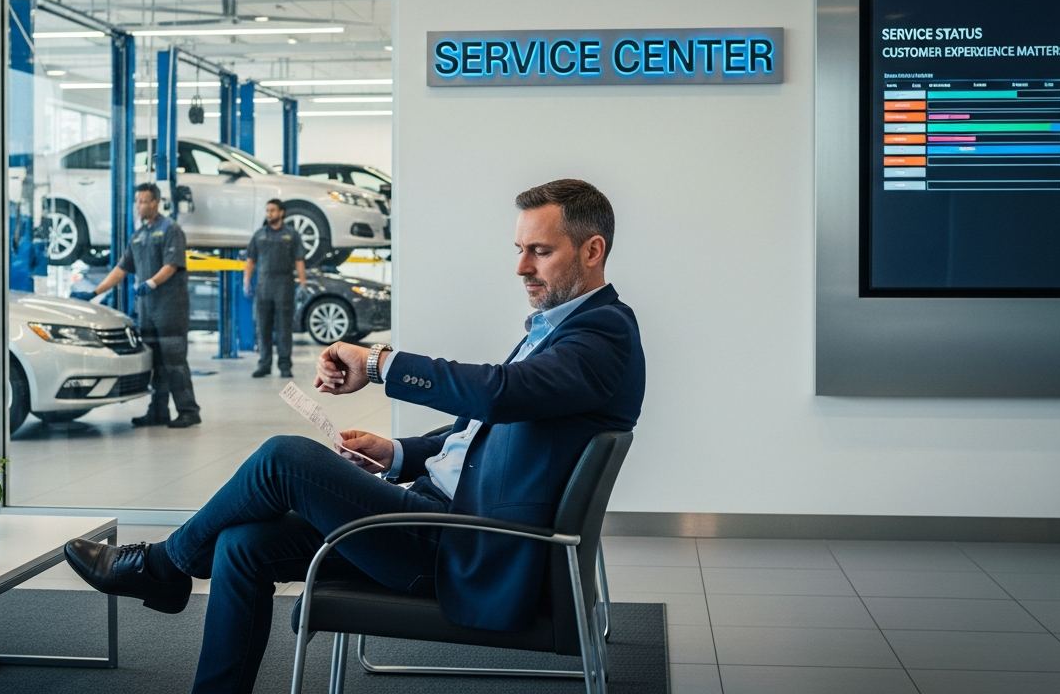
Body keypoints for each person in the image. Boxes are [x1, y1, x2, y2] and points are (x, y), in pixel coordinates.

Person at [63, 179, 644, 693]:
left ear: (592, 251)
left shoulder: (602, 336)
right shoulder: (562, 329)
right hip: (437, 514)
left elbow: (498, 394)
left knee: (283, 459)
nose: (521, 267)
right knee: (242, 545)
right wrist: (396, 454)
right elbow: (487, 428)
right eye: (519, 250)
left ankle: (164, 566)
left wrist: (378, 363)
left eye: (539, 252)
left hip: (462, 542)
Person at [78, 182, 201, 429]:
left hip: (170, 308)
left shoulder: (170, 229)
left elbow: (173, 264)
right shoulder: (138, 235)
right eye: (137, 201)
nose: (139, 206)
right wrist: (94, 291)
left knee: (174, 360)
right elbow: (122, 268)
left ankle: (189, 410)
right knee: (154, 362)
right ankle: (158, 411)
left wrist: (152, 283)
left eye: (144, 201)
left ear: (156, 202)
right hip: (147, 310)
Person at [244, 198, 307, 378]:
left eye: (272, 210)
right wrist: (246, 281)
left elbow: (299, 260)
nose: (269, 214)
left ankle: (285, 365)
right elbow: (251, 260)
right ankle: (264, 364)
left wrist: (303, 282)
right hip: (264, 285)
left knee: (284, 328)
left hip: (284, 284)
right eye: (267, 210)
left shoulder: (291, 235)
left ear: (281, 213)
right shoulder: (259, 235)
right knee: (263, 327)